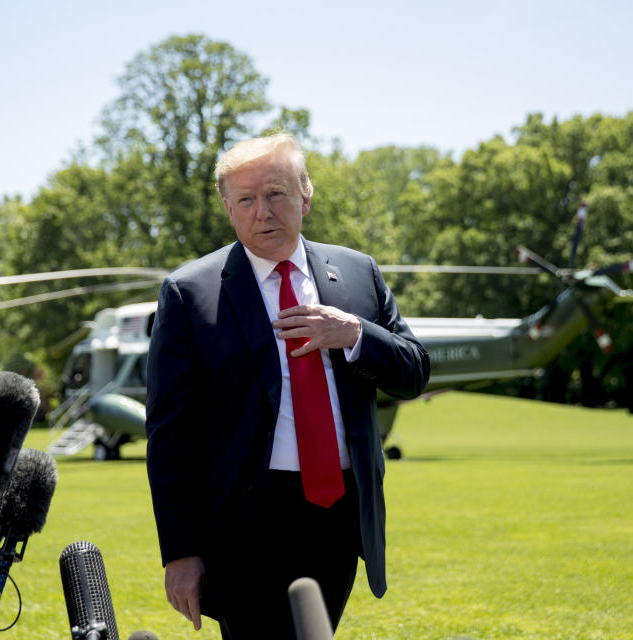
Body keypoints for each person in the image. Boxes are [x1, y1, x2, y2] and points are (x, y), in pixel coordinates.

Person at [145, 132, 430, 638]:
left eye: (276, 193)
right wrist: (181, 552)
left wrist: (355, 334)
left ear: (305, 193)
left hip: (339, 516)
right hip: (244, 525)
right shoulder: (190, 293)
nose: (263, 212)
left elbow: (414, 372)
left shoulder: (359, 273)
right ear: (229, 210)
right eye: (247, 200)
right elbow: (169, 437)